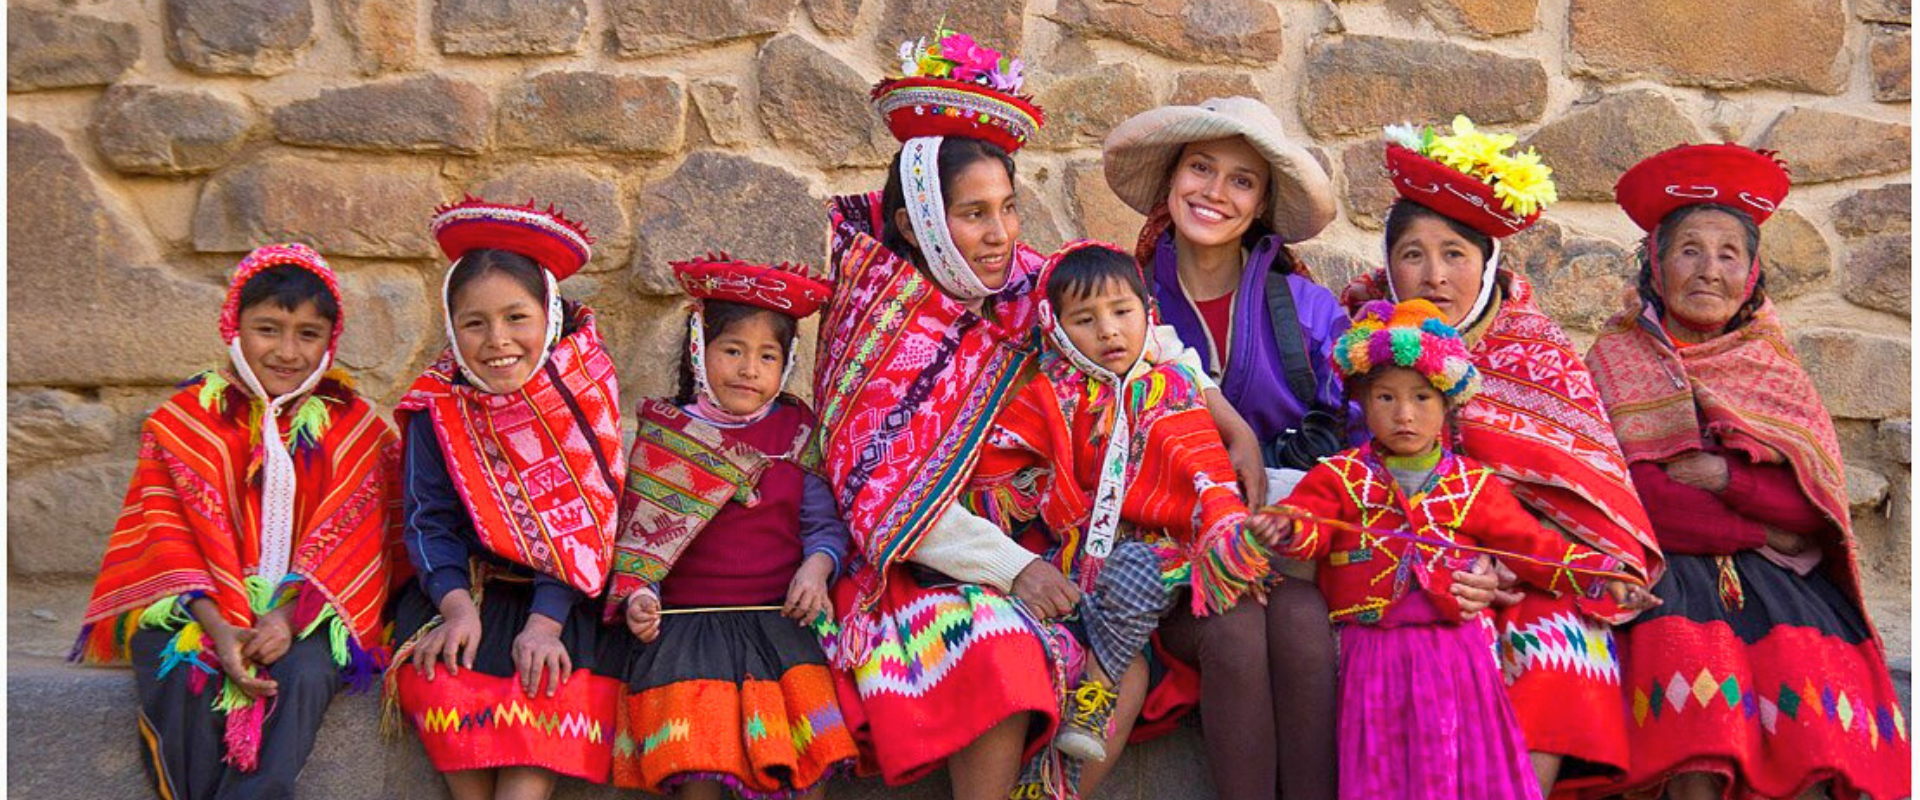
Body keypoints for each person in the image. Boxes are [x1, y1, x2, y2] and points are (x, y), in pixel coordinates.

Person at [1339, 116, 1661, 795]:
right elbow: (1345, 485)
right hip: (1394, 570)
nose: (1433, 275)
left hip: (1526, 573)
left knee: (1555, 645)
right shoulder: (1360, 344)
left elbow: (1583, 509)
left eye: (1455, 254)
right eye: (1413, 255)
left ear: (1487, 266)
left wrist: (1506, 572)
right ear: (1388, 263)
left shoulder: (1535, 353)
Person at [1585, 143, 1910, 800]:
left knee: (1820, 730)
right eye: (1689, 251)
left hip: (1783, 592)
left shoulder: (1773, 366)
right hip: (1663, 576)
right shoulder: (1617, 356)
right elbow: (1642, 499)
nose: (1709, 271)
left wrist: (1722, 477)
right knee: (1696, 735)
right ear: (1656, 266)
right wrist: (1758, 529)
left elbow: (1812, 507)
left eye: (1728, 254)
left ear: (1752, 272)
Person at [1258, 298, 1651, 800]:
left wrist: (1601, 576)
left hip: (1456, 652)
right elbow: (1309, 520)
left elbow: (1532, 548)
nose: (1404, 414)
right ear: (1360, 400)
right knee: (1383, 769)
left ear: (1447, 405)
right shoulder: (1341, 477)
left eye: (1422, 398)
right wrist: (1282, 527)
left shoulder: (1472, 484)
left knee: (1457, 768)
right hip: (1373, 650)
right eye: (1385, 398)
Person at [74, 243, 401, 799]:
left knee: (302, 674)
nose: (287, 351)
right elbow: (167, 540)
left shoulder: (355, 430)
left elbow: (362, 545)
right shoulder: (185, 421)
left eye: (308, 334)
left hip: (306, 617)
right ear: (235, 327)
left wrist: (287, 621)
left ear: (330, 341)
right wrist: (223, 628)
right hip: (200, 610)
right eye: (268, 329)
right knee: (179, 663)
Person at [963, 241, 1272, 769]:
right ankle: (1046, 779)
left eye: (1122, 312)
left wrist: (1225, 533)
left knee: (1133, 575)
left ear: (1148, 316)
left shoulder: (1171, 387)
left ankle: (1092, 703)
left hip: (1166, 556)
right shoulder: (1050, 392)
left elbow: (1205, 472)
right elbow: (997, 469)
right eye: (1085, 319)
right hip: (1075, 564)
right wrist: (1031, 487)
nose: (1108, 331)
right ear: (1056, 328)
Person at [386, 197, 626, 800]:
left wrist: (545, 624)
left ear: (549, 314)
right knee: (444, 684)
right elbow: (427, 519)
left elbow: (587, 526)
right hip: (468, 591)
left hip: (561, 602)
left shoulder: (580, 395)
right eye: (474, 323)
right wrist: (457, 607)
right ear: (451, 325)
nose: (498, 340)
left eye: (517, 317)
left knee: (541, 704)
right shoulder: (435, 408)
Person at [606, 253, 859, 799]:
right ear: (699, 349)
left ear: (786, 365)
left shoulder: (797, 435)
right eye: (733, 350)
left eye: (768, 356)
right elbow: (641, 543)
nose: (749, 369)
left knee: (798, 772)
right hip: (687, 634)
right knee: (700, 772)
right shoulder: (666, 437)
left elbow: (824, 525)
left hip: (779, 632)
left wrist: (817, 571)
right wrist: (641, 597)